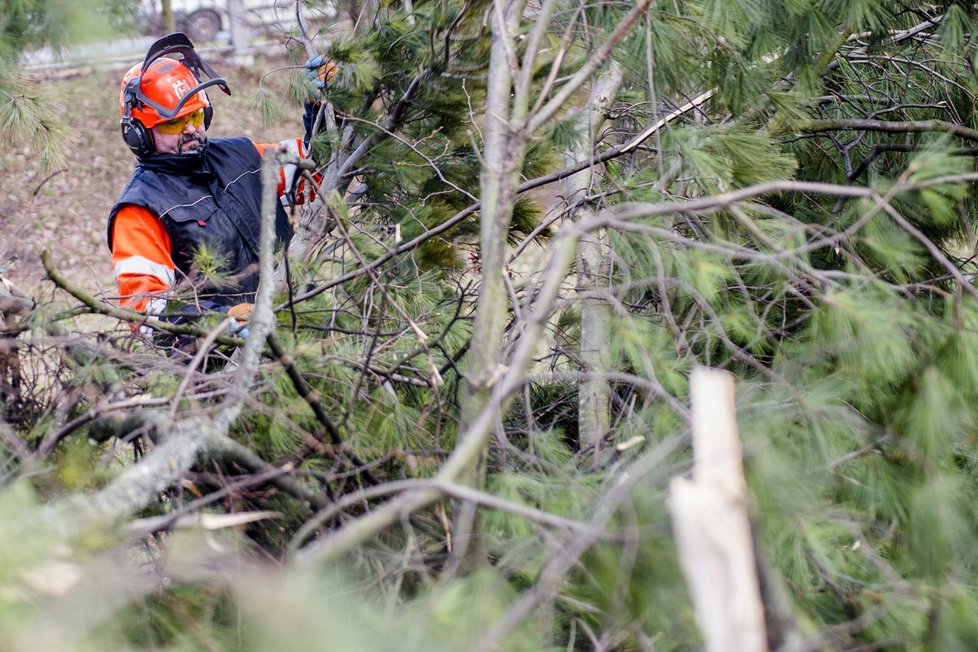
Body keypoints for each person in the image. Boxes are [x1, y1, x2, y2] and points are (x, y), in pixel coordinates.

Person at [106, 33, 328, 339]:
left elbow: (317, 174)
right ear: (138, 133)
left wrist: (326, 111)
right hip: (218, 370)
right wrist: (223, 323)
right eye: (174, 123)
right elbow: (145, 310)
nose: (191, 130)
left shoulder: (242, 155)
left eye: (196, 115)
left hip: (298, 336)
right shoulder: (140, 209)